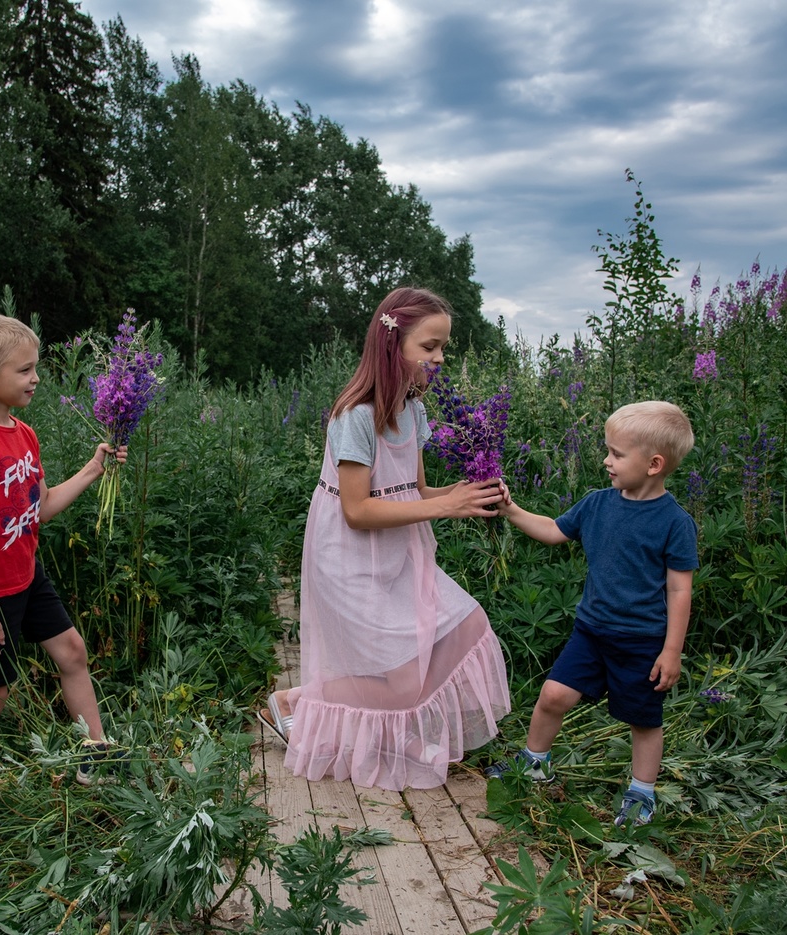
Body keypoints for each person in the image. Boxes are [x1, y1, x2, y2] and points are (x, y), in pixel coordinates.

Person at [262, 287, 512, 791]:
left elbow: (412, 491)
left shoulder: (412, 410)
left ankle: (351, 716)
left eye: (443, 348)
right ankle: (295, 703)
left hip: (400, 547)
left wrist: (469, 495)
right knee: (400, 680)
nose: (439, 359)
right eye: (430, 347)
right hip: (349, 555)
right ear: (392, 345)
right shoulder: (354, 415)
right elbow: (356, 510)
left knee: (466, 625)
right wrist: (446, 505)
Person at [486, 400, 697, 827]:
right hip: (591, 631)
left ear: (654, 464)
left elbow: (679, 589)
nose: (607, 460)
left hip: (641, 641)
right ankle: (534, 762)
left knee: (643, 720)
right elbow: (552, 530)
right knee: (552, 696)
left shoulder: (674, 523)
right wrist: (510, 509)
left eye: (617, 454)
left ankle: (641, 794)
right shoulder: (597, 503)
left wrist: (671, 651)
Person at [0, 313, 125, 787]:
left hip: (27, 575)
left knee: (72, 652)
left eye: (34, 367)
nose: (36, 378)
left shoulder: (23, 435)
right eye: (24, 370)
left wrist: (92, 469)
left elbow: (40, 508)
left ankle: (97, 758)